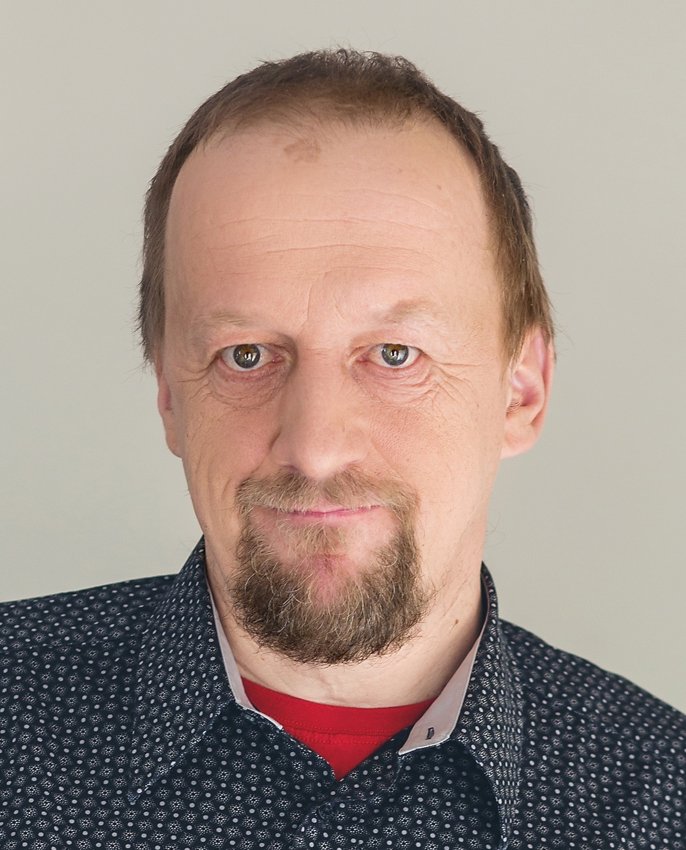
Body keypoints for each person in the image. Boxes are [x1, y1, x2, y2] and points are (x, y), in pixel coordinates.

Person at [1, 49, 683, 850]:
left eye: (395, 354)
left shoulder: (663, 802)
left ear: (521, 392)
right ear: (170, 397)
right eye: (246, 355)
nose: (316, 449)